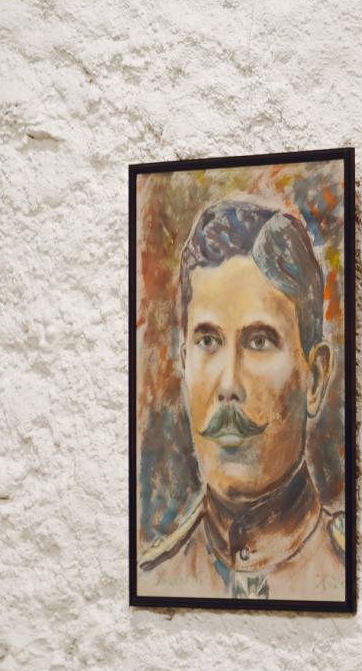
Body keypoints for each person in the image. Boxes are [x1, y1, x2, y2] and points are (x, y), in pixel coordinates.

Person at [138, 200, 346, 601]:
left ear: (316, 378)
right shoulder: (154, 579)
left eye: (259, 341)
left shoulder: (344, 571)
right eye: (208, 341)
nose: (228, 384)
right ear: (185, 363)